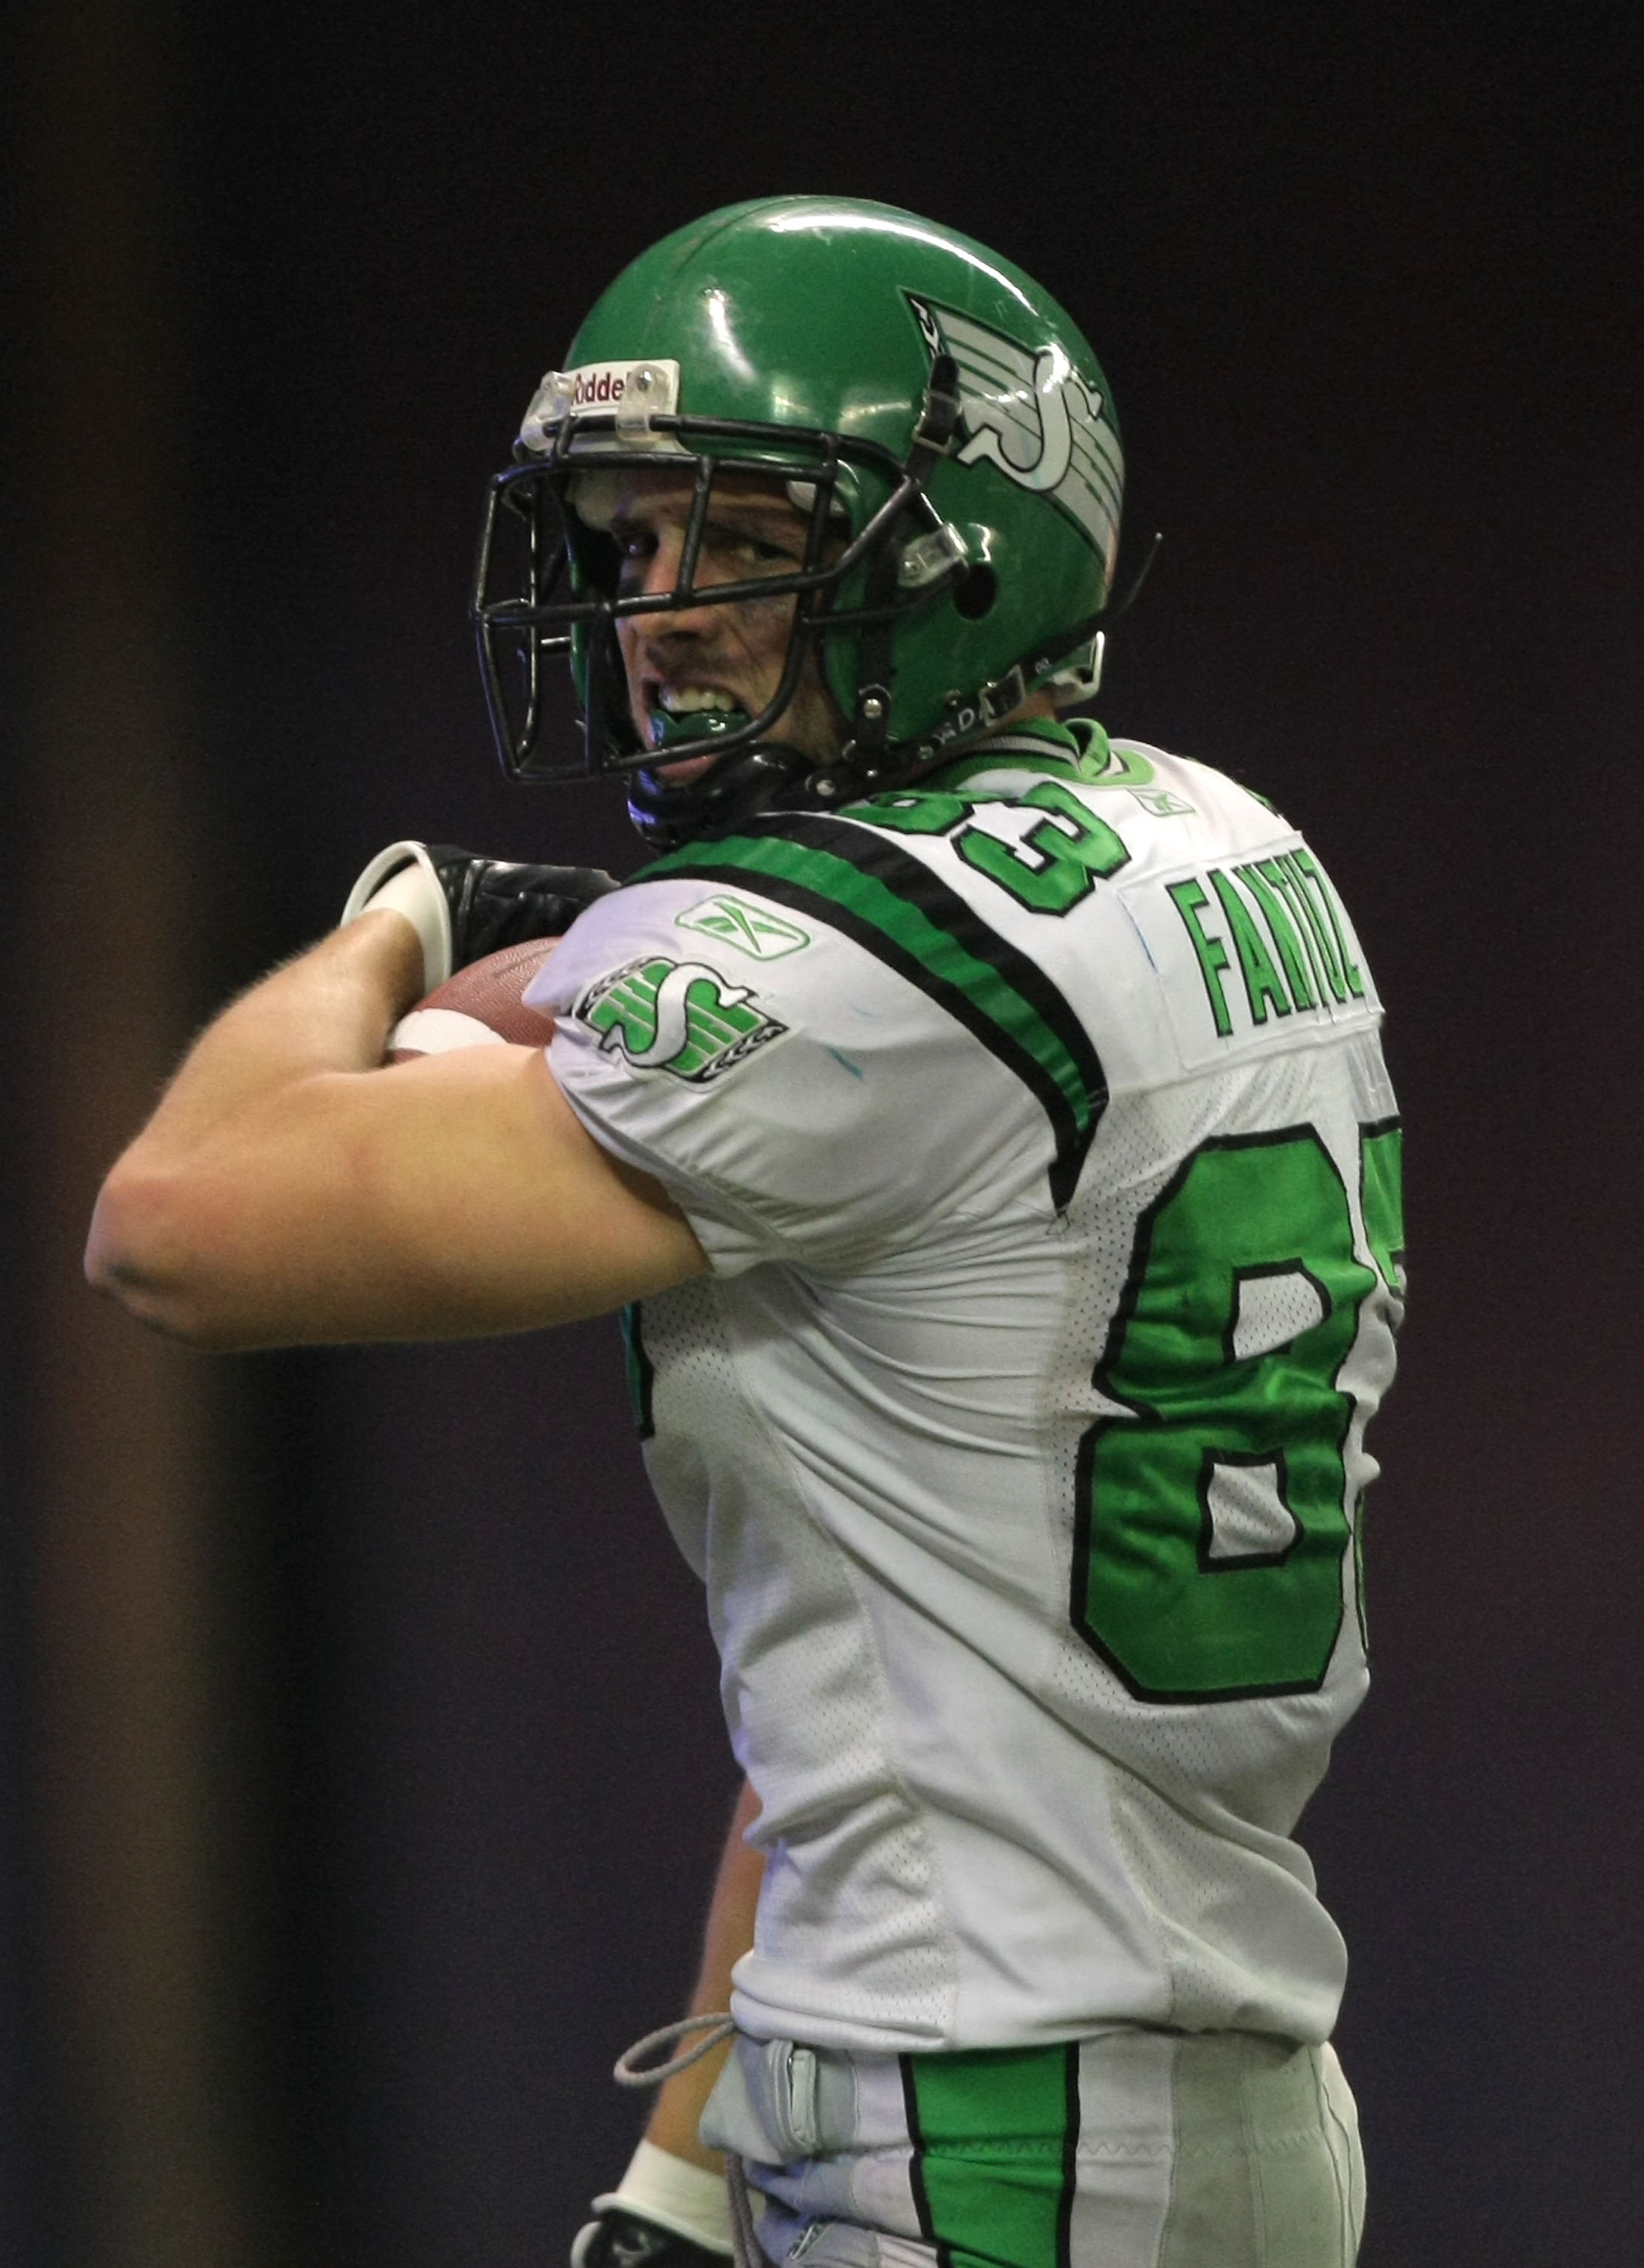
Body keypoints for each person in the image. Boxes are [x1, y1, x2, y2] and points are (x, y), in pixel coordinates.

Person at [89, 197, 1404, 2268]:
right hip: (1132, 2072)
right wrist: (689, 2170)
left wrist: (411, 911)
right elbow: (892, 1620)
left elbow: (177, 1227)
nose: (659, 608)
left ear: (964, 538)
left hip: (987, 2123)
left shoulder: (832, 963)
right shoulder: (1223, 845)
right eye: (628, 547)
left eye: (744, 532)